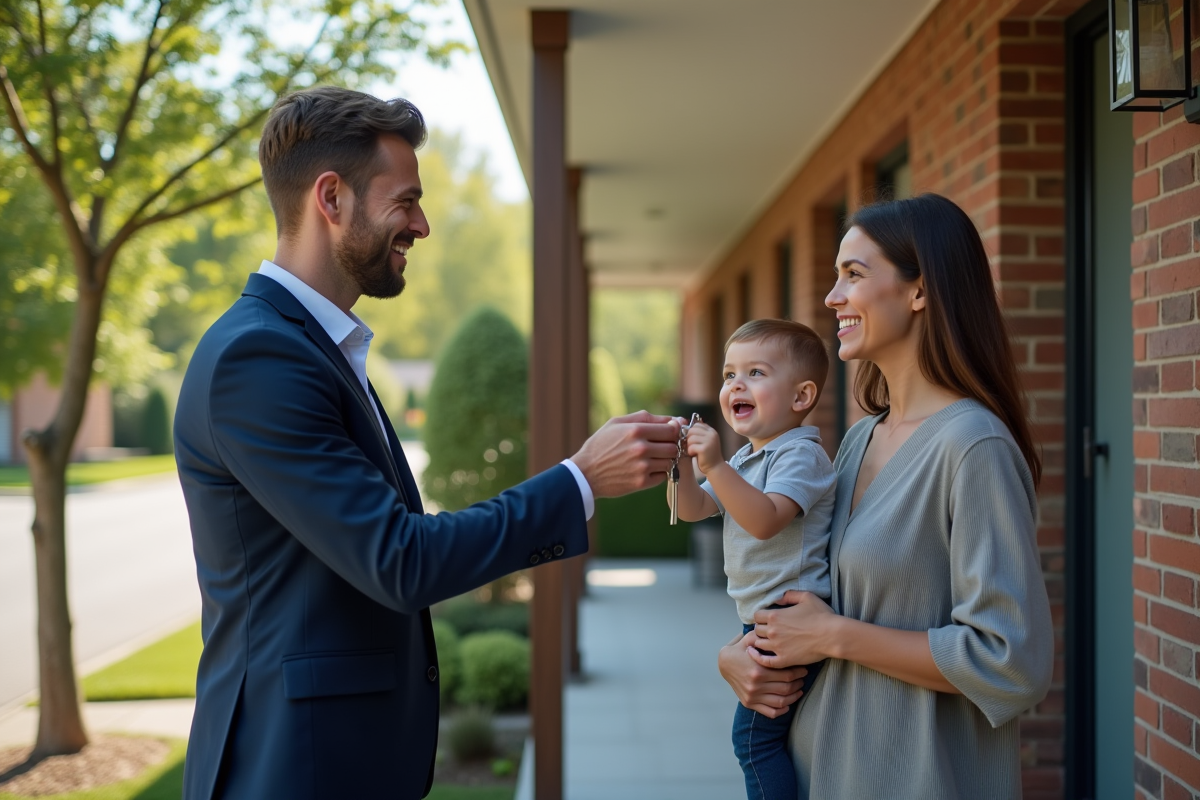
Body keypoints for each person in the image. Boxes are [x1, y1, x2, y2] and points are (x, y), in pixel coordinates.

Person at [173, 86, 682, 800]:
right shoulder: (258, 360)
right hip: (293, 768)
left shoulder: (315, 347)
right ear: (331, 198)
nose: (423, 224)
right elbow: (399, 560)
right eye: (406, 200)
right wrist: (580, 479)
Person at [717, 193, 1054, 799]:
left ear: (919, 291)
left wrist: (833, 636)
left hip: (918, 780)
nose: (831, 297)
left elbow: (1010, 659)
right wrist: (742, 654)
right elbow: (803, 580)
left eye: (853, 275)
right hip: (821, 772)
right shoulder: (855, 440)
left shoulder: (973, 446)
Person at [670, 319, 836, 800]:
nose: (736, 385)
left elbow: (764, 520)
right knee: (771, 736)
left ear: (801, 397)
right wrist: (683, 463)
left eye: (756, 373)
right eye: (728, 375)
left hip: (791, 618)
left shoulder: (799, 456)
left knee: (753, 742)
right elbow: (694, 507)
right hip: (764, 621)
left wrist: (715, 466)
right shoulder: (748, 459)